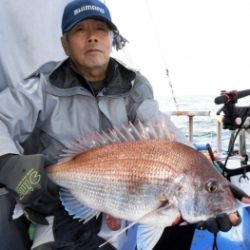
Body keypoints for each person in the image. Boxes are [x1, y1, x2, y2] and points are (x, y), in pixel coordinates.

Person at [0, 0, 248, 249]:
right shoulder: (42, 85)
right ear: (64, 44)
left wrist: (206, 174)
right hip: (57, 203)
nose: (92, 38)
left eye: (100, 29)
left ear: (111, 38)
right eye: (80, 30)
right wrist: (9, 162)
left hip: (123, 210)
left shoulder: (134, 86)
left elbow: (162, 129)